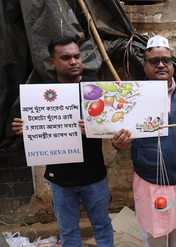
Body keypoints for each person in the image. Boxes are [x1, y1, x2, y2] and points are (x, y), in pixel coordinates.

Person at [12, 35, 114, 247]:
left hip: (94, 176)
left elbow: (113, 129)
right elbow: (39, 128)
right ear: (53, 62)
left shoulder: (96, 90)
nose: (74, 61)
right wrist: (27, 128)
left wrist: (97, 129)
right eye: (66, 57)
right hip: (60, 179)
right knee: (68, 231)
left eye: (77, 56)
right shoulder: (40, 94)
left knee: (103, 226)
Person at [111, 35, 176, 247]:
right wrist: (118, 143)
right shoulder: (132, 96)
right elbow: (119, 134)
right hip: (150, 181)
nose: (161, 65)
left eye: (166, 60)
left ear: (172, 63)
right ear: (145, 65)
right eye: (154, 61)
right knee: (154, 238)